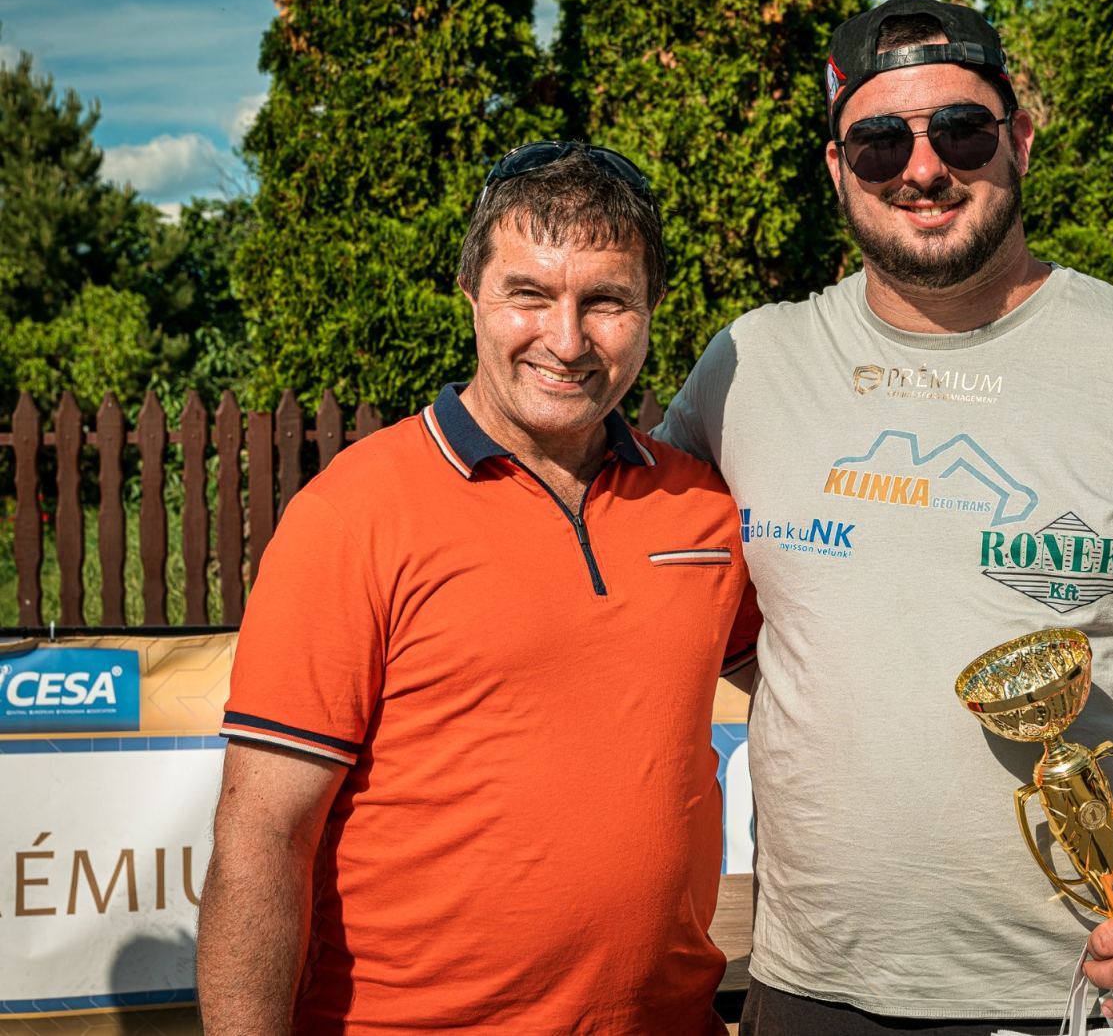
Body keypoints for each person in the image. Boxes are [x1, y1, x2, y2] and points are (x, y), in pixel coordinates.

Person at [655, 0, 1113, 1036]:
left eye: (961, 130)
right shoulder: (748, 370)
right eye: (879, 142)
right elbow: (656, 576)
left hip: (1108, 997)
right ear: (837, 169)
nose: (922, 168)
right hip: (815, 994)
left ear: (1021, 140)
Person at [196, 143, 758, 1035]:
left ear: (652, 309)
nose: (566, 340)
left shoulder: (701, 509)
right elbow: (264, 836)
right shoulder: (353, 514)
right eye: (528, 294)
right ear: (470, 296)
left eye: (606, 301)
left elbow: (816, 688)